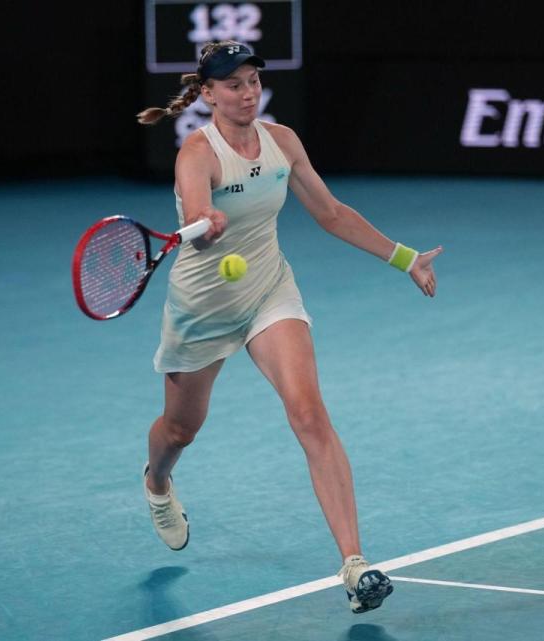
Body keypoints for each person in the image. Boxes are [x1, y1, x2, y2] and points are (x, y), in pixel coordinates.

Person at [135, 40, 442, 613]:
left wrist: (405, 258)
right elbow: (198, 210)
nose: (247, 93)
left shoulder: (283, 140)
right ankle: (156, 483)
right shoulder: (196, 153)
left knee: (309, 413)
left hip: (269, 291)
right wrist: (207, 221)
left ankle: (355, 566)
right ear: (208, 95)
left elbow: (330, 212)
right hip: (203, 307)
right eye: (233, 85)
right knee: (179, 431)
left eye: (253, 81)